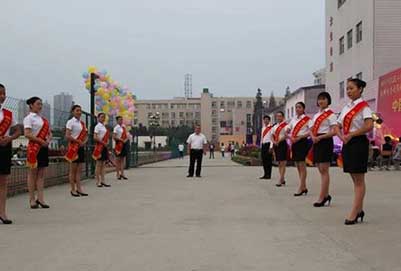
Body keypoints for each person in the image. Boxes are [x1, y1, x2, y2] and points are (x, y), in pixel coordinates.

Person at [337, 78, 373, 225]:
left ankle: (354, 212)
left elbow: (369, 125)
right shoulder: (346, 107)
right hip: (348, 143)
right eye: (347, 89)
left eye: (351, 88)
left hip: (358, 143)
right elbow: (337, 126)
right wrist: (342, 137)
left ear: (360, 89)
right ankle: (360, 209)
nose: (348, 91)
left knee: (359, 180)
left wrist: (352, 134)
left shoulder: (364, 107)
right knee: (354, 178)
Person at [309, 92, 338, 207]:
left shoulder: (331, 115)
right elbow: (311, 129)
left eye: (324, 99)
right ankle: (325, 195)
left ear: (328, 101)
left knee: (324, 170)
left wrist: (320, 137)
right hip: (316, 141)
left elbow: (334, 131)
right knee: (320, 169)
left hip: (325, 141)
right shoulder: (316, 116)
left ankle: (322, 197)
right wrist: (313, 137)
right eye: (319, 99)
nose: (321, 101)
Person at [24, 96, 52, 209]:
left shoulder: (43, 120)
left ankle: (40, 198)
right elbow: (27, 134)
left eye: (41, 104)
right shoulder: (29, 118)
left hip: (43, 147)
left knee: (41, 175)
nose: (40, 106)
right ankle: (32, 199)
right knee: (32, 174)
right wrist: (41, 141)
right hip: (34, 148)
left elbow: (49, 133)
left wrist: (48, 140)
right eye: (38, 104)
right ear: (31, 105)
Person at [0, 84, 21, 224]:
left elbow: (18, 130)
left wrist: (10, 138)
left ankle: (2, 212)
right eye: (0, 93)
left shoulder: (8, 114)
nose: (2, 96)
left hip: (4, 147)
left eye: (4, 93)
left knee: (3, 182)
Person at [286, 102, 312, 197]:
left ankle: (301, 187)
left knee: (302, 164)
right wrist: (290, 137)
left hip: (302, 142)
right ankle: (304, 186)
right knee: (297, 164)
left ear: (303, 108)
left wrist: (301, 137)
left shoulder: (307, 119)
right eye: (296, 107)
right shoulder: (293, 120)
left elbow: (311, 132)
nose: (297, 109)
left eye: (299, 107)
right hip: (294, 142)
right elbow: (287, 131)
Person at [65, 105, 88, 197]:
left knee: (79, 170)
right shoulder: (70, 122)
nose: (79, 112)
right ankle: (72, 189)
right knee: (72, 170)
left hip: (81, 147)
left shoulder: (82, 123)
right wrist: (77, 141)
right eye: (77, 110)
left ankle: (79, 188)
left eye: (80, 110)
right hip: (73, 148)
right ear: (73, 112)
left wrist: (84, 142)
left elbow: (86, 135)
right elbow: (67, 135)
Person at [92, 113, 111, 188]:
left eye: (104, 117)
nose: (103, 118)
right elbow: (95, 137)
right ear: (98, 118)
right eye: (102, 117)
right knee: (98, 164)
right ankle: (97, 181)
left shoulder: (104, 127)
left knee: (103, 164)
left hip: (104, 147)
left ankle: (103, 181)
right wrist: (103, 142)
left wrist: (107, 142)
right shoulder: (97, 126)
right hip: (99, 147)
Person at [272, 111, 288, 187]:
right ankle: (283, 179)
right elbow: (272, 135)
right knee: (279, 163)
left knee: (283, 162)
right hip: (276, 144)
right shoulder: (274, 126)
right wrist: (273, 141)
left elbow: (286, 135)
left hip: (282, 144)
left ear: (283, 117)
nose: (278, 117)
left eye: (280, 116)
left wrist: (279, 141)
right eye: (277, 116)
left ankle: (280, 180)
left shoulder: (286, 125)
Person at [260, 115, 274, 180]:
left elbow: (272, 138)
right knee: (264, 160)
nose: (265, 121)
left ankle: (269, 175)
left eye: (267, 119)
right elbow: (262, 138)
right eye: (264, 119)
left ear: (269, 120)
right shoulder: (263, 128)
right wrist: (261, 145)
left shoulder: (271, 128)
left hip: (268, 145)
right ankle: (265, 174)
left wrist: (271, 147)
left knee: (269, 160)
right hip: (263, 145)